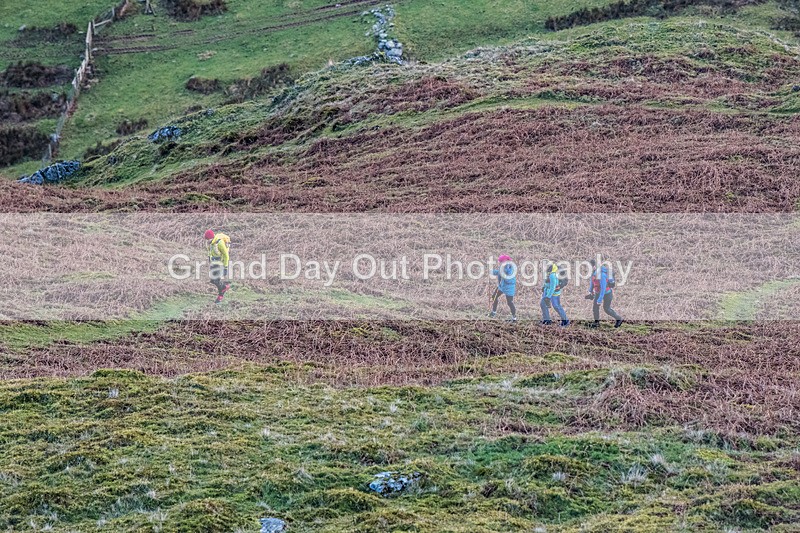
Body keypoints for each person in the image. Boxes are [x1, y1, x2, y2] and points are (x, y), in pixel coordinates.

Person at [586, 257, 623, 328]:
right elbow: (592, 282)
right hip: (597, 292)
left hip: (607, 293)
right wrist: (590, 291)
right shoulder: (594, 272)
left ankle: (619, 319)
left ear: (594, 266)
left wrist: (600, 299)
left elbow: (603, 288)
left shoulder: (602, 275)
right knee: (595, 308)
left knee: (606, 309)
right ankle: (596, 323)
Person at [204, 229, 231, 304]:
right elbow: (210, 251)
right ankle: (224, 288)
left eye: (208, 239)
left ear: (212, 237)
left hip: (221, 264)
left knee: (216, 280)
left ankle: (220, 296)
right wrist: (209, 258)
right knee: (212, 280)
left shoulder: (220, 243)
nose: (207, 241)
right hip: (214, 263)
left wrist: (225, 267)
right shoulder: (210, 243)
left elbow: (226, 255)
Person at [489, 254, 517, 322]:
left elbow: (510, 280)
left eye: (501, 261)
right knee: (494, 297)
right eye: (500, 261)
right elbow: (499, 272)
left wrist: (503, 275)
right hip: (502, 286)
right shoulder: (503, 266)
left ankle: (514, 318)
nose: (500, 263)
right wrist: (491, 271)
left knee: (509, 302)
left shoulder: (511, 268)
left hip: (509, 288)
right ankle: (493, 312)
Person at [541, 261, 569, 326]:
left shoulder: (558, 271)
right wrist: (544, 286)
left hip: (555, 291)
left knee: (556, 306)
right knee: (543, 304)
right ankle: (547, 321)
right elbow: (545, 280)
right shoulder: (547, 271)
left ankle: (566, 321)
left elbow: (565, 280)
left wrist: (560, 285)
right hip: (547, 290)